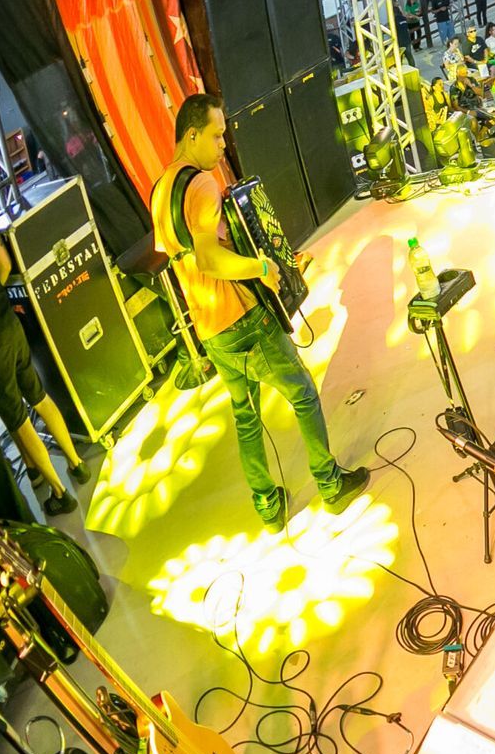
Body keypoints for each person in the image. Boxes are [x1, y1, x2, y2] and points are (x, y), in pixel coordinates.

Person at [151, 95, 370, 531]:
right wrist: (264, 267)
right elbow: (210, 259)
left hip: (209, 327)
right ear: (191, 134)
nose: (222, 147)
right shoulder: (202, 186)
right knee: (303, 393)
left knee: (245, 413)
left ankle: (268, 506)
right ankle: (330, 485)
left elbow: (179, 257)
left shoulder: (161, 190)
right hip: (243, 317)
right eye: (215, 137)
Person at [0, 199, 86, 514]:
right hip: (7, 322)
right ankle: (76, 463)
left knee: (18, 420)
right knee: (38, 395)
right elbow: (3, 264)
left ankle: (60, 493)